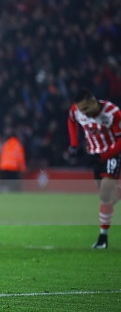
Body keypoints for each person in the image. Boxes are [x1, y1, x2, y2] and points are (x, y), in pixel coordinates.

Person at [67, 88, 121, 249]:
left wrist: (104, 156)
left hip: (112, 153)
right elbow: (71, 120)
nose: (83, 112)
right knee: (110, 197)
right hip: (94, 155)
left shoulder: (112, 113)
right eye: (81, 109)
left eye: (86, 109)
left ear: (94, 101)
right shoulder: (77, 110)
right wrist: (74, 144)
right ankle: (103, 238)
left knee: (105, 194)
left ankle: (102, 238)